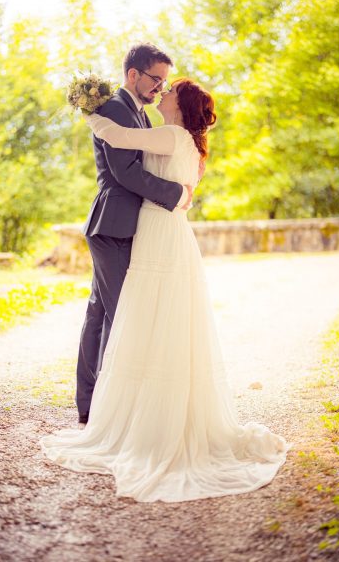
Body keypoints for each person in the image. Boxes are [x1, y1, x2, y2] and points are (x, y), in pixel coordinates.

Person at [39, 77, 292, 503]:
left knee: (145, 315)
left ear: (180, 104)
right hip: (170, 233)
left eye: (170, 88)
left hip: (157, 230)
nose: (163, 91)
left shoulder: (172, 135)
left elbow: (118, 137)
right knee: (163, 318)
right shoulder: (186, 141)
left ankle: (142, 420)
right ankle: (147, 410)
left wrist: (89, 110)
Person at [76, 43, 193, 425]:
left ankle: (92, 403)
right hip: (114, 222)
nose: (160, 87)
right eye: (156, 79)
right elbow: (125, 173)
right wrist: (175, 195)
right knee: (120, 313)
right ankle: (106, 408)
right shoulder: (115, 108)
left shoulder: (137, 113)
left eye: (164, 81)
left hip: (122, 223)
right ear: (133, 75)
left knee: (101, 311)